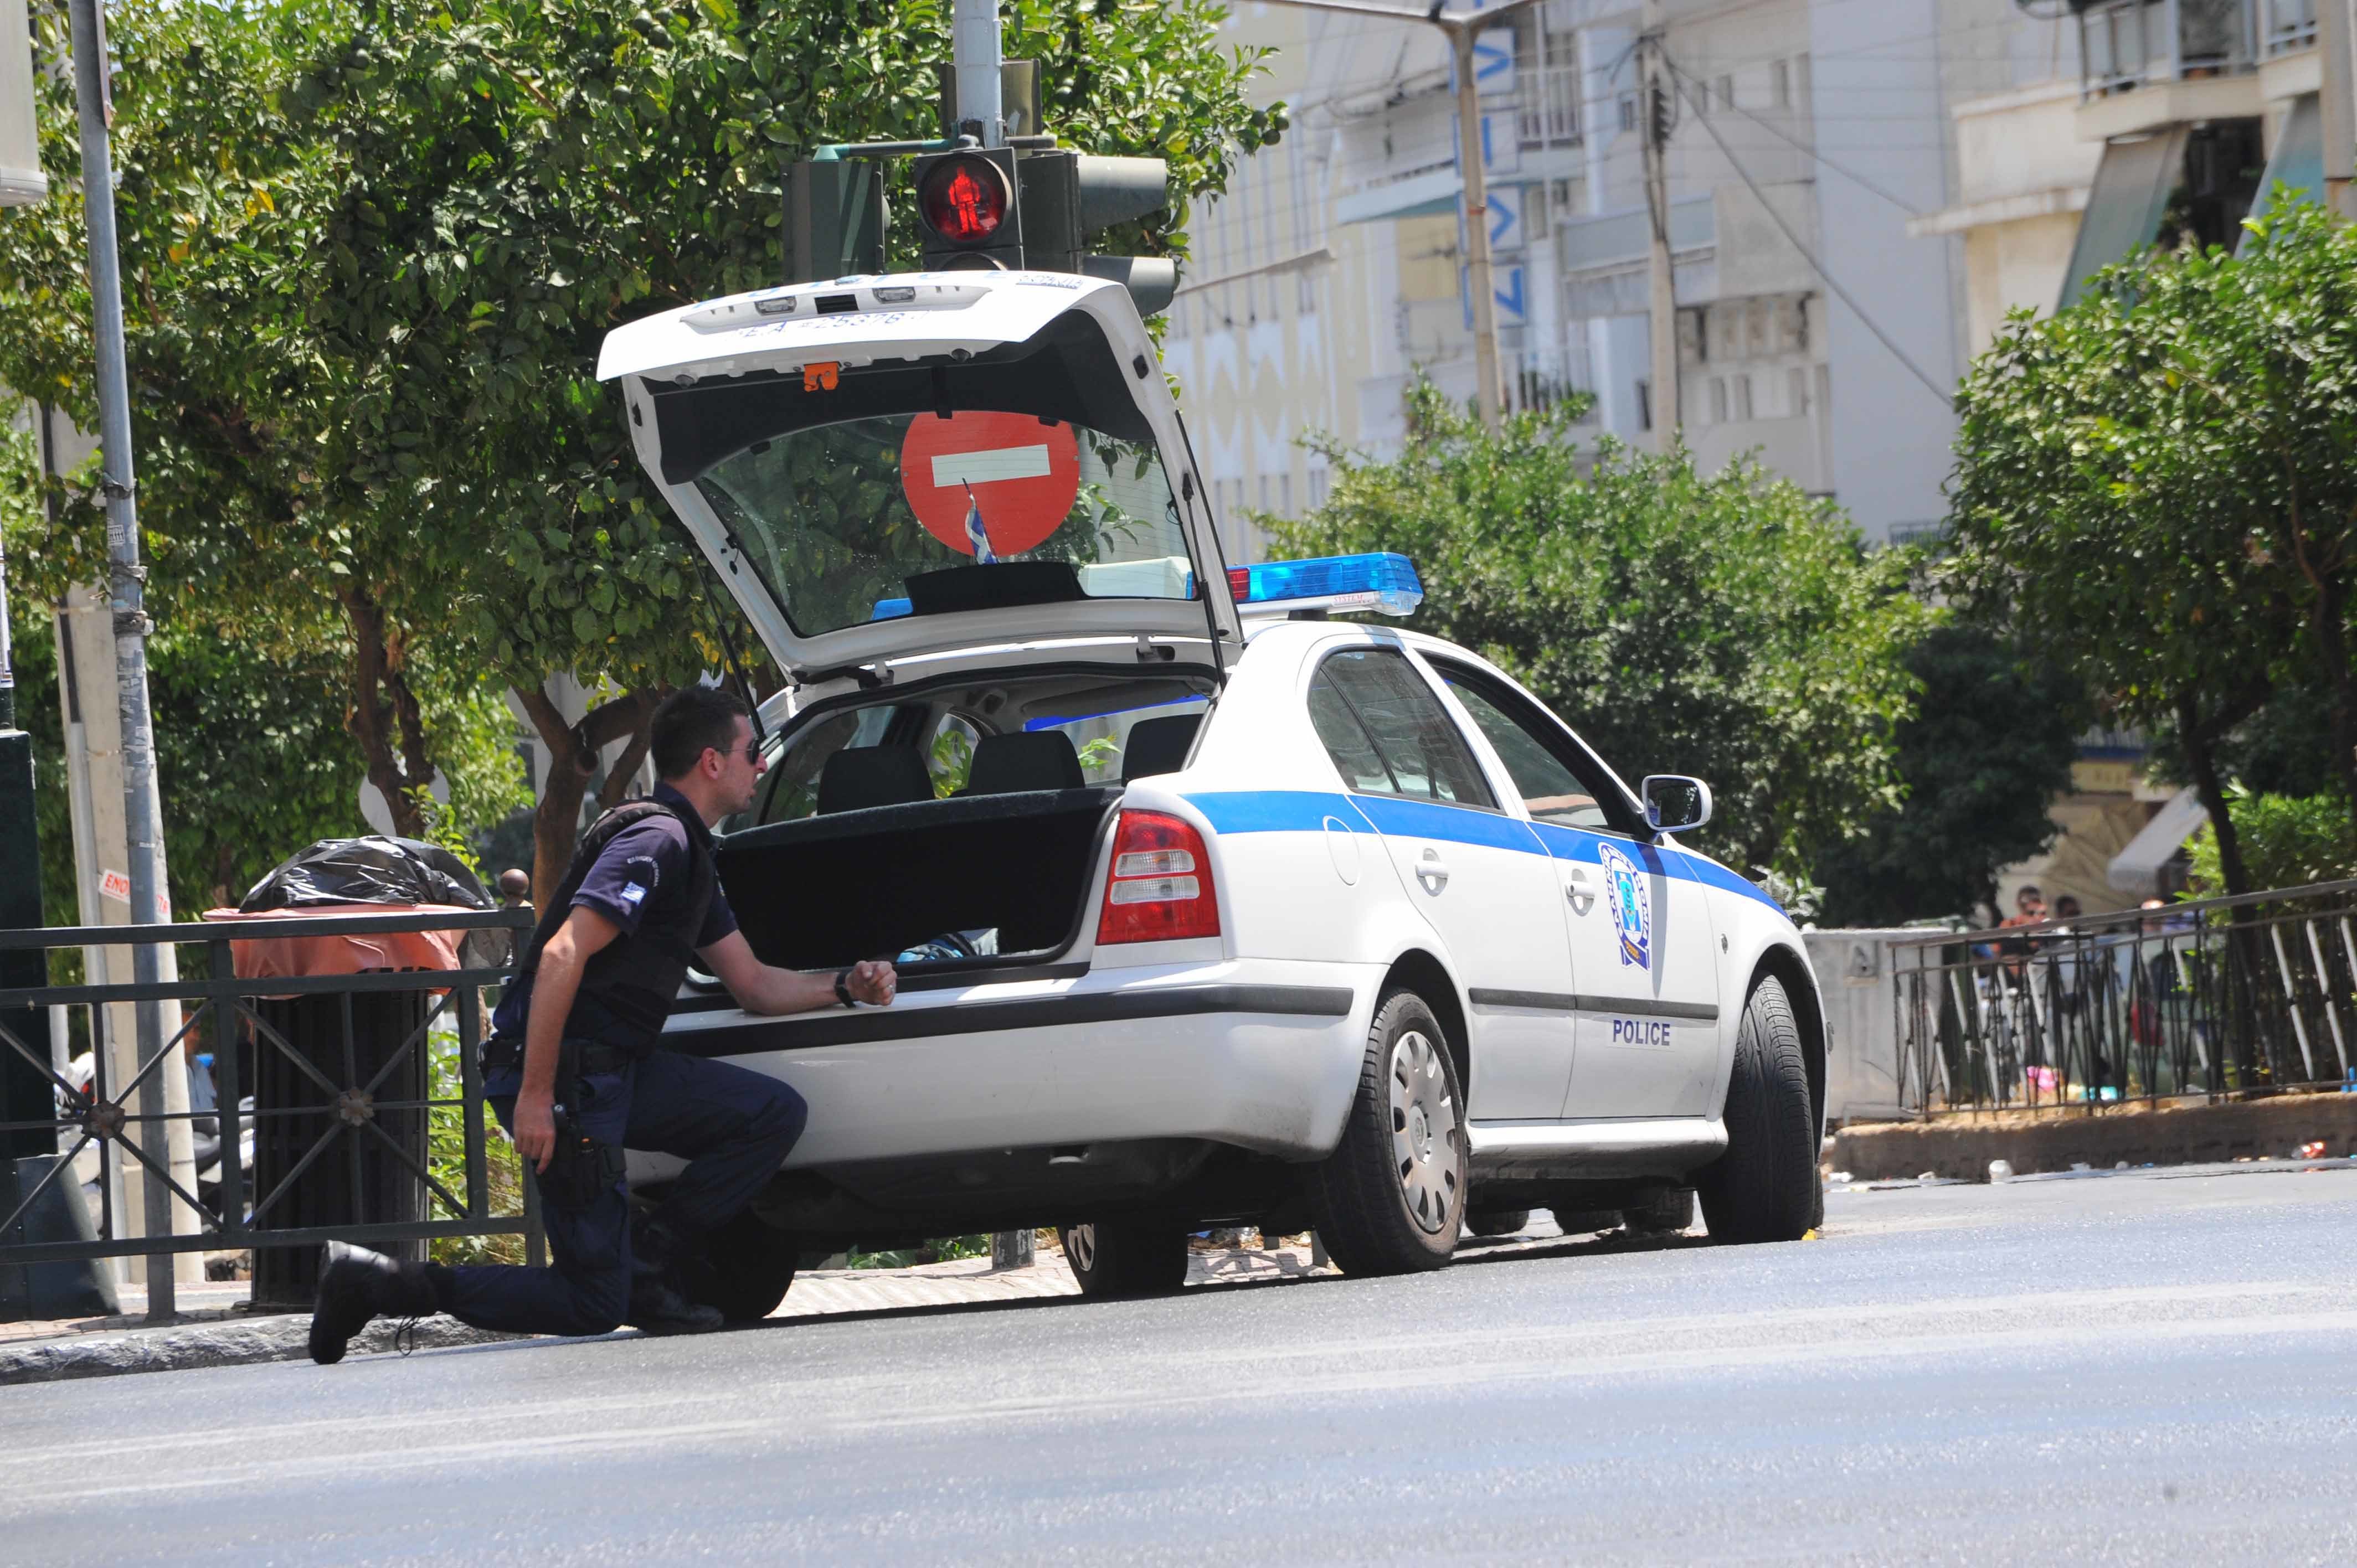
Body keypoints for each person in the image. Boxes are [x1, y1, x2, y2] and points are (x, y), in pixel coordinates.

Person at [308, 685, 897, 1363]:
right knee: (593, 1305)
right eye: (751, 752)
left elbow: (755, 985)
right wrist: (536, 1096)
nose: (759, 766)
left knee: (768, 1113)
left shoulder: (690, 852)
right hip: (563, 1085)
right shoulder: (658, 839)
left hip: (613, 1072)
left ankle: (647, 1257)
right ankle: (377, 1284)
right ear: (711, 762)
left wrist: (846, 986)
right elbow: (562, 953)